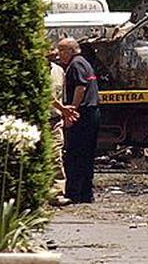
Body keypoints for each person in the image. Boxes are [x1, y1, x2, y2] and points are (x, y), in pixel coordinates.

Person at [58, 37, 100, 204]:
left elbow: (80, 87)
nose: (59, 54)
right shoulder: (84, 62)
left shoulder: (75, 65)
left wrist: (72, 111)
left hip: (83, 114)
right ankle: (85, 193)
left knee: (75, 154)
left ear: (71, 50)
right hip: (91, 113)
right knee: (86, 155)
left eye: (62, 50)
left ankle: (75, 192)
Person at [47, 45, 78, 205]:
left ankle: (56, 194)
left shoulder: (59, 71)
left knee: (56, 157)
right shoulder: (35, 72)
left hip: (55, 121)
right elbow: (47, 95)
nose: (54, 53)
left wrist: (64, 113)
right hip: (40, 121)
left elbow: (60, 95)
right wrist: (64, 109)